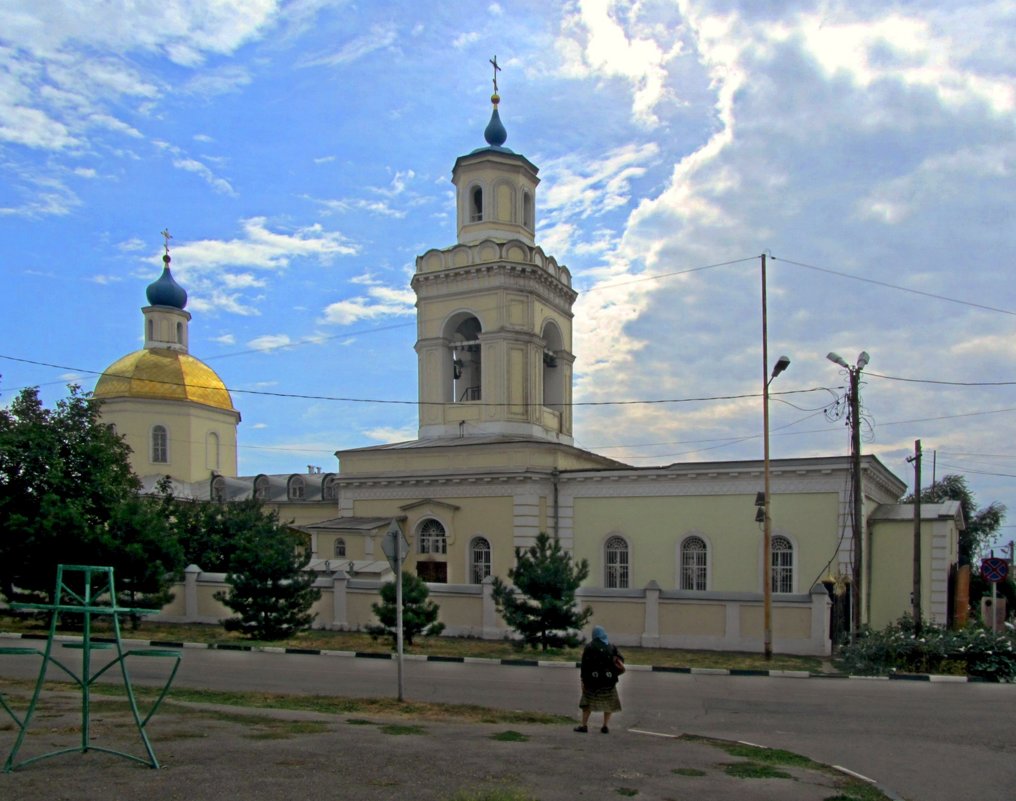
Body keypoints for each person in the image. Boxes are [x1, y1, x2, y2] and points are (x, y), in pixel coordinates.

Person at [575, 625, 623, 733]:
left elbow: (585, 665)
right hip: (609, 682)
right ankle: (605, 726)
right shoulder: (611, 647)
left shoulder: (589, 647)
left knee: (587, 704)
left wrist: (583, 680)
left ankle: (584, 726)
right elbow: (620, 660)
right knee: (609, 704)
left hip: (592, 682)